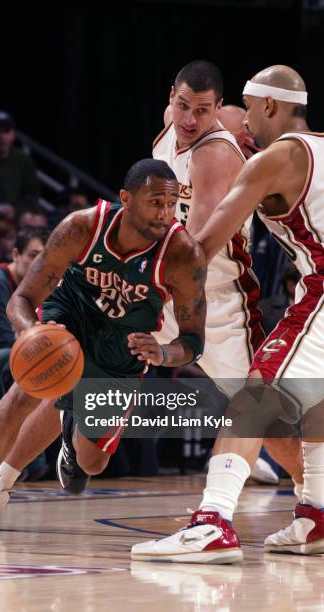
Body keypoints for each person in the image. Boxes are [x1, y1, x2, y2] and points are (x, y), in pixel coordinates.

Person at [0, 158, 207, 550]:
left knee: (92, 462)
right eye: (155, 202)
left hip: (125, 342)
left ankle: (70, 422)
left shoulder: (184, 255)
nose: (164, 213)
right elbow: (23, 299)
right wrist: (34, 334)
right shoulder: (82, 227)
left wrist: (164, 353)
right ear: (126, 199)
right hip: (72, 314)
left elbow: (194, 341)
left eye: (170, 204)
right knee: (24, 393)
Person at [131, 64, 322, 563]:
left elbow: (204, 245)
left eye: (245, 109)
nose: (241, 126)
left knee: (254, 395)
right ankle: (318, 515)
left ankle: (213, 522)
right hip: (308, 286)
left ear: (269, 106)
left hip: (315, 289)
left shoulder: (273, 157)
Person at [152, 60, 277, 483]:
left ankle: (311, 500)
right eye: (184, 106)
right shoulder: (173, 126)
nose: (189, 119)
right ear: (172, 96)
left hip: (217, 298)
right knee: (79, 356)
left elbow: (197, 250)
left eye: (201, 110)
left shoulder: (221, 155)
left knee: (257, 406)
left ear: (217, 108)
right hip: (166, 286)